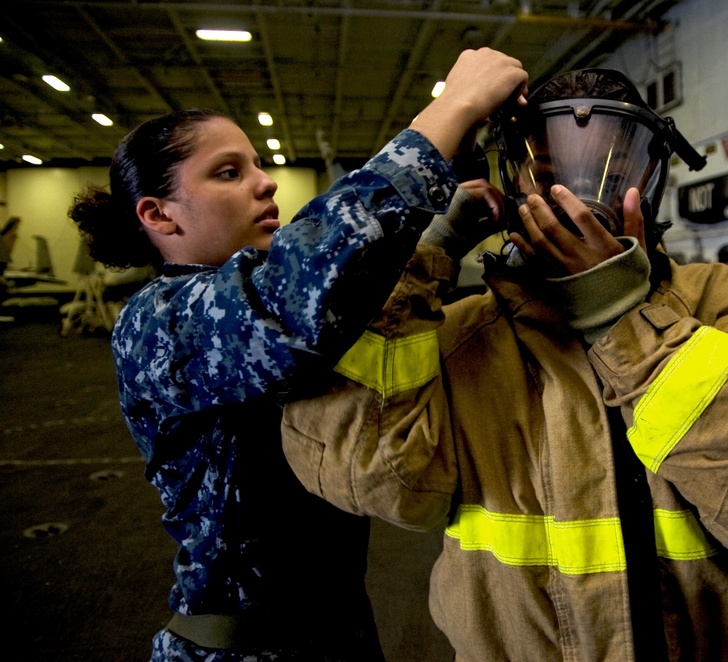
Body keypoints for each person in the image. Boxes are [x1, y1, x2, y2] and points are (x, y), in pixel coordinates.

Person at [281, 69, 728, 661]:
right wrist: (418, 258)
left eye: (612, 173)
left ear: (651, 181)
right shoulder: (462, 337)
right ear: (512, 185)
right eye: (552, 178)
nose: (580, 202)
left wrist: (624, 316)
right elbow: (369, 480)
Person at [67, 48, 528, 661]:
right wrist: (449, 110)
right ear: (158, 215)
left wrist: (438, 236)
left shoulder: (263, 298)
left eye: (256, 164)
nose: (265, 181)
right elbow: (293, 309)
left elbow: (342, 311)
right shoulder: (158, 322)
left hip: (336, 637)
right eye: (228, 172)